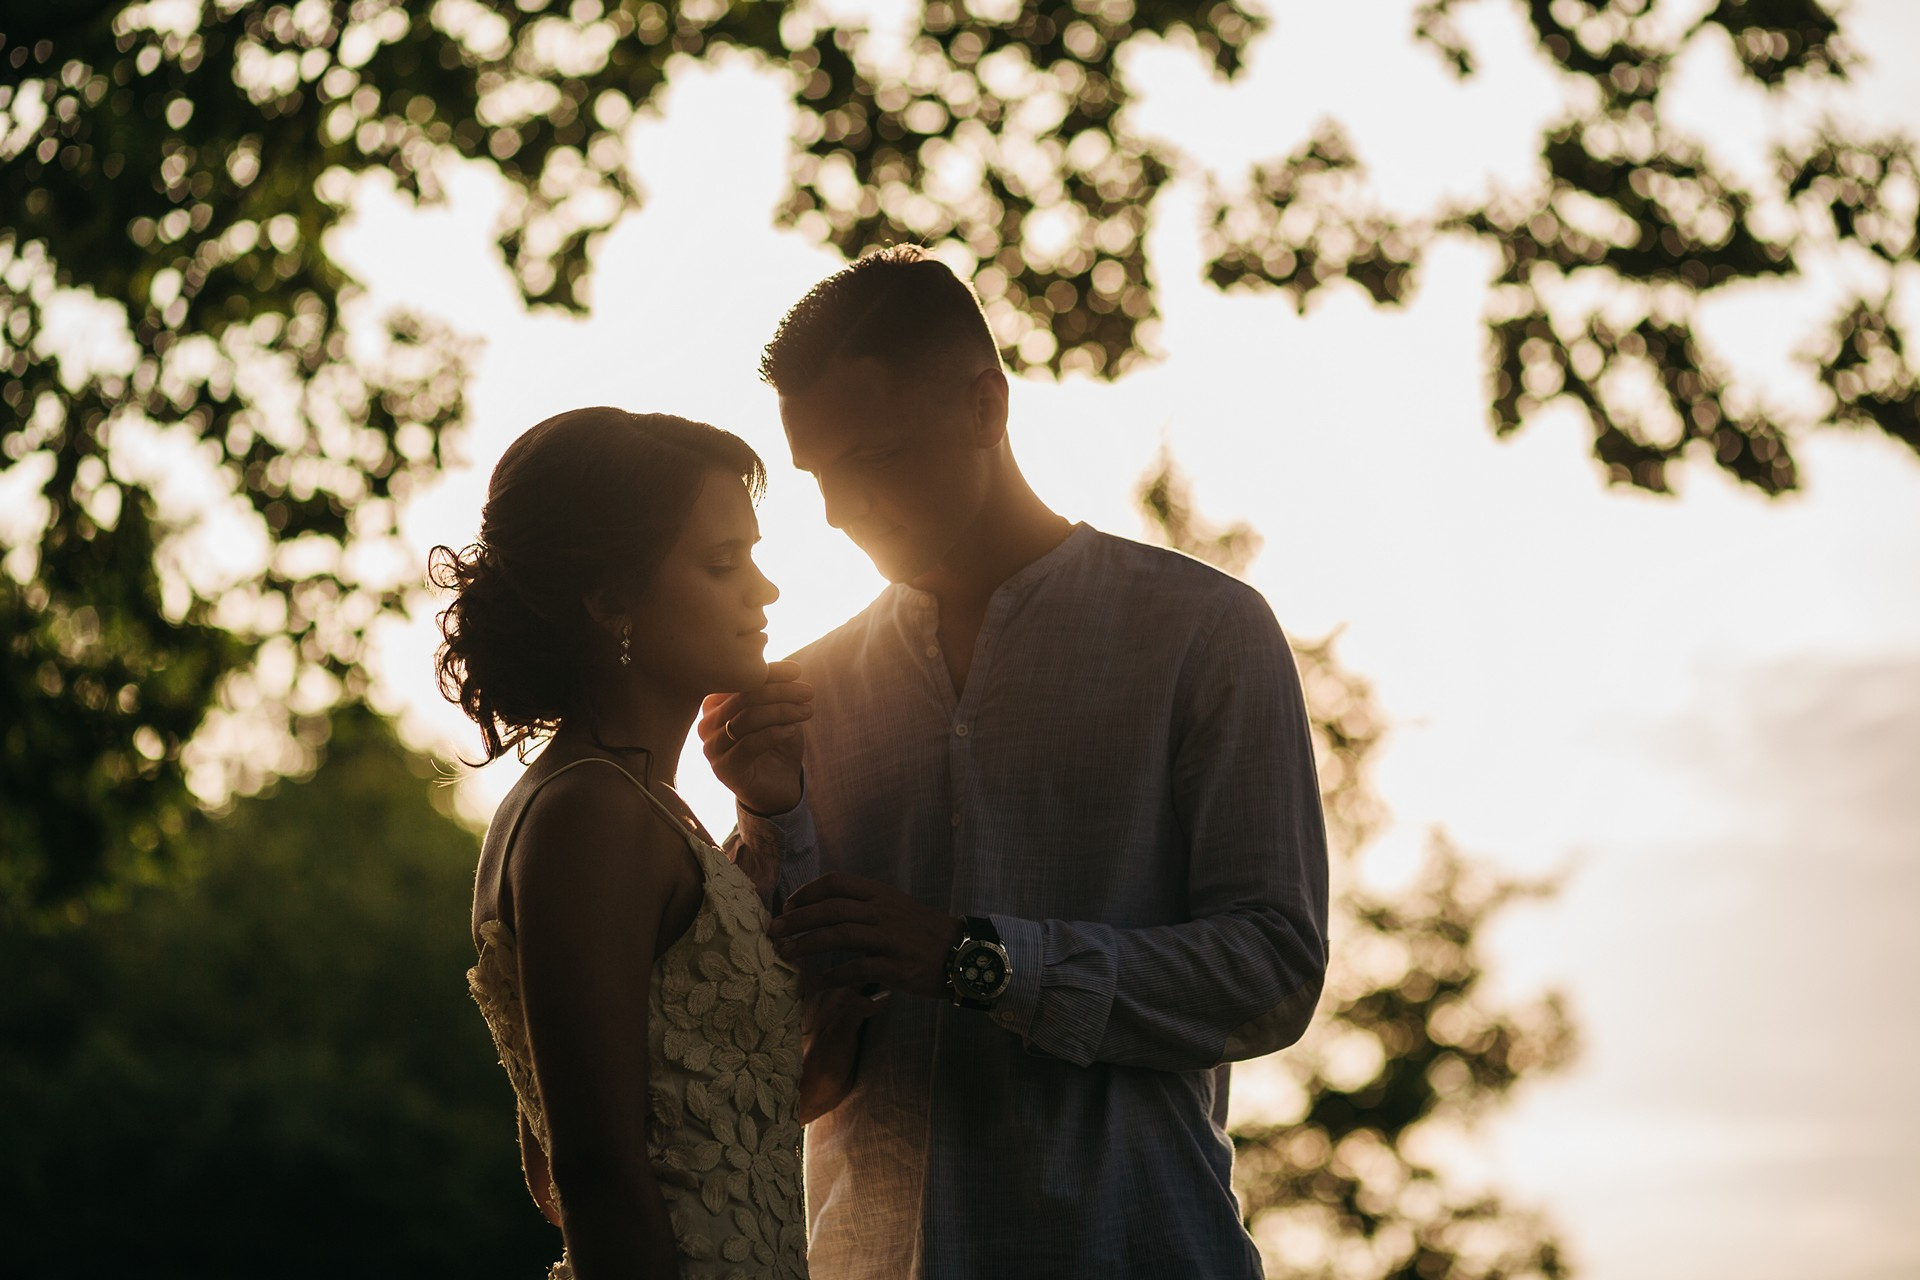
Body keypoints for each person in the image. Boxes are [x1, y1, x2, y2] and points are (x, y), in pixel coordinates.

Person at [702, 247, 1331, 1279]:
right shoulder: (801, 693)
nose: (838, 510)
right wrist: (770, 819)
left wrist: (971, 956)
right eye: (818, 475)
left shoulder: (1203, 633)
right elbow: (772, 1045)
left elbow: (1270, 971)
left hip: (1139, 1246)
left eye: (875, 456)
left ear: (986, 406)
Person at [432, 407, 837, 1280]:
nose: (762, 590)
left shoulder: (651, 806)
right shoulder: (592, 815)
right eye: (722, 563)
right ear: (610, 598)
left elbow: (709, 1121)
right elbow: (587, 1169)